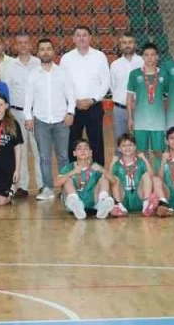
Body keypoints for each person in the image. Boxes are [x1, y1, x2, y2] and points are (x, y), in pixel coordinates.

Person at [24, 37, 75, 201]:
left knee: (63, 157)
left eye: (48, 49)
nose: (45, 52)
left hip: (61, 120)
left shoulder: (63, 72)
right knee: (44, 157)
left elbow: (70, 94)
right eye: (42, 49)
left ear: (53, 51)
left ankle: (66, 189)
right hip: (41, 121)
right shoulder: (33, 74)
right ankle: (48, 188)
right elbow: (28, 98)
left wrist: (70, 112)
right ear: (38, 53)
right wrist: (28, 117)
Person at [60, 26, 110, 161]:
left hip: (94, 106)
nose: (81, 38)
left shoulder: (99, 56)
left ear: (90, 38)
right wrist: (73, 101)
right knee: (72, 143)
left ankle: (98, 171)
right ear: (73, 39)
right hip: (73, 107)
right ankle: (73, 171)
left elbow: (106, 82)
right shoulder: (66, 58)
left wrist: (93, 99)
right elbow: (63, 83)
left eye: (84, 35)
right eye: (78, 35)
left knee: (96, 143)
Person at [1, 34, 42, 198]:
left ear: (31, 45)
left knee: (40, 150)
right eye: (20, 43)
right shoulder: (9, 66)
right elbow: (7, 91)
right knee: (20, 150)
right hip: (17, 113)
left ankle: (42, 185)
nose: (23, 46)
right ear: (15, 46)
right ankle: (22, 186)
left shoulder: (39, 63)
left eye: (26, 43)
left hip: (37, 112)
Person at [108, 133, 168, 217]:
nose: (127, 148)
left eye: (130, 145)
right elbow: (109, 180)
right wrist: (112, 163)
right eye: (124, 146)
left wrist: (145, 159)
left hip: (139, 196)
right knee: (114, 179)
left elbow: (152, 176)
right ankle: (118, 205)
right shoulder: (117, 165)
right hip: (123, 197)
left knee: (146, 175)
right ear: (119, 149)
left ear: (135, 147)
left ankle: (146, 204)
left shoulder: (140, 162)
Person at [56, 139, 116, 220]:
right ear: (74, 153)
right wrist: (72, 172)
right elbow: (56, 183)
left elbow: (114, 181)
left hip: (93, 204)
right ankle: (75, 202)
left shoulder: (96, 167)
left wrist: (102, 170)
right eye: (79, 148)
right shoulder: (68, 167)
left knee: (104, 177)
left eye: (86, 148)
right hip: (74, 207)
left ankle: (102, 203)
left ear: (90, 152)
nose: (83, 151)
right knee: (66, 179)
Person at [108, 32, 141, 151]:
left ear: (135, 44)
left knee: (140, 145)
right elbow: (112, 86)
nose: (127, 45)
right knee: (120, 145)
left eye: (130, 42)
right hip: (120, 110)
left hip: (140, 109)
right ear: (120, 45)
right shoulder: (115, 65)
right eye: (124, 42)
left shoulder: (143, 62)